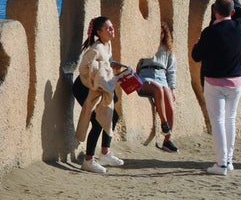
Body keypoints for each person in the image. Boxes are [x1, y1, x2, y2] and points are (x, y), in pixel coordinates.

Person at [191, 0, 241, 176]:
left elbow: (196, 56)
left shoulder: (209, 32)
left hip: (214, 82)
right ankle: (229, 161)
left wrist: (198, 44)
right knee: (230, 119)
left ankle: (221, 163)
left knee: (217, 121)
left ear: (214, 11)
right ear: (233, 12)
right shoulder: (240, 26)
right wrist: (233, 3)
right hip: (235, 82)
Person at [73, 16, 127, 174]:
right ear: (99, 32)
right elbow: (83, 68)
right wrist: (96, 76)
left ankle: (105, 153)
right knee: (97, 121)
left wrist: (115, 67)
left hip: (101, 88)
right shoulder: (95, 48)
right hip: (85, 87)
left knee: (113, 116)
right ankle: (88, 160)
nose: (112, 30)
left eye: (112, 27)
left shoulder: (108, 44)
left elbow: (107, 63)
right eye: (108, 28)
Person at [135, 21, 179, 152]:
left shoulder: (167, 49)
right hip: (145, 74)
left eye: (161, 32)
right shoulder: (145, 45)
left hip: (162, 76)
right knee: (157, 89)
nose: (159, 35)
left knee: (169, 103)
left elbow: (171, 71)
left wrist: (172, 88)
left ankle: (167, 140)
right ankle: (164, 123)